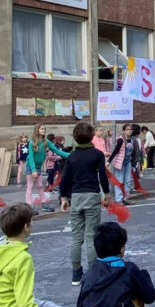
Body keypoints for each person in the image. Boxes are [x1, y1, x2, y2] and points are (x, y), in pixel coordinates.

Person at [77, 222, 155, 307]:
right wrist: (144, 275)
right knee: (138, 285)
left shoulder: (89, 273)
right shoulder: (129, 269)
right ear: (121, 249)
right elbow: (150, 296)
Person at [59, 122, 111, 285]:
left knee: (76, 237)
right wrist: (107, 193)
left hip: (76, 196)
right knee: (91, 237)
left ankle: (76, 273)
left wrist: (64, 198)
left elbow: (64, 179)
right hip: (92, 195)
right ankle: (93, 273)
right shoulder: (97, 154)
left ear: (75, 137)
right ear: (91, 136)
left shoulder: (72, 156)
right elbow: (102, 176)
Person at [26, 124, 69, 213]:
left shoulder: (46, 141)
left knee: (40, 186)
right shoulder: (32, 142)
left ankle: (44, 203)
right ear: (37, 130)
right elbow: (30, 157)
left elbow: (56, 150)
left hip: (38, 167)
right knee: (30, 185)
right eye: (41, 129)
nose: (43, 130)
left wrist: (69, 155)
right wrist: (33, 170)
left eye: (44, 129)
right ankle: (29, 205)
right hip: (31, 166)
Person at [109, 124, 137, 204]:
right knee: (119, 181)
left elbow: (134, 152)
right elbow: (115, 151)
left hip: (128, 162)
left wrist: (135, 162)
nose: (129, 131)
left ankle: (125, 198)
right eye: (127, 129)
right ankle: (118, 199)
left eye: (131, 129)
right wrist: (109, 161)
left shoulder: (132, 140)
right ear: (124, 131)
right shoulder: (121, 140)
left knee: (128, 180)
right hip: (120, 163)